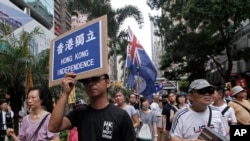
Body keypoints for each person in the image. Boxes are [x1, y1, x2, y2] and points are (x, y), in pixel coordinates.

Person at [48, 72, 136, 141]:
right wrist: (65, 93)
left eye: (95, 78)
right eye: (86, 81)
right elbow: (53, 127)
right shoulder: (79, 113)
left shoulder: (121, 115)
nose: (90, 83)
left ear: (108, 83)